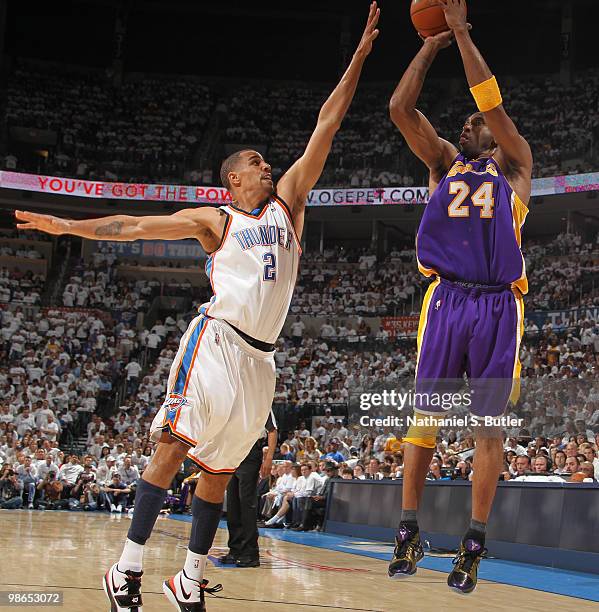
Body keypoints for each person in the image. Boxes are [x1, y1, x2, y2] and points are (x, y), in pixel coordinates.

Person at [16, 4, 380, 609]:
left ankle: (188, 577)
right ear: (233, 182)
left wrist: (361, 54)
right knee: (174, 449)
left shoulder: (287, 204)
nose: (267, 166)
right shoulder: (217, 219)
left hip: (262, 362)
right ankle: (126, 568)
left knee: (218, 473)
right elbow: (132, 223)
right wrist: (64, 226)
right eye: (255, 163)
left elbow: (327, 126)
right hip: (218, 341)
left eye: (266, 162)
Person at [387, 0, 532, 595]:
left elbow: (492, 103)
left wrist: (464, 32)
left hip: (499, 305)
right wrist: (432, 42)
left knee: (487, 427)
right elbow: (399, 108)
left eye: (479, 122)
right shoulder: (444, 161)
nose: (471, 122)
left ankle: (474, 542)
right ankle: (408, 529)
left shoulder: (516, 165)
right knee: (423, 422)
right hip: (446, 301)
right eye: (467, 121)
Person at [219, 411, 277, 567]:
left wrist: (268, 459)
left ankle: (251, 553)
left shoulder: (261, 398)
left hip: (251, 452)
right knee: (233, 505)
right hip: (232, 452)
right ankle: (235, 549)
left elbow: (272, 431)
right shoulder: (234, 400)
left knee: (247, 504)